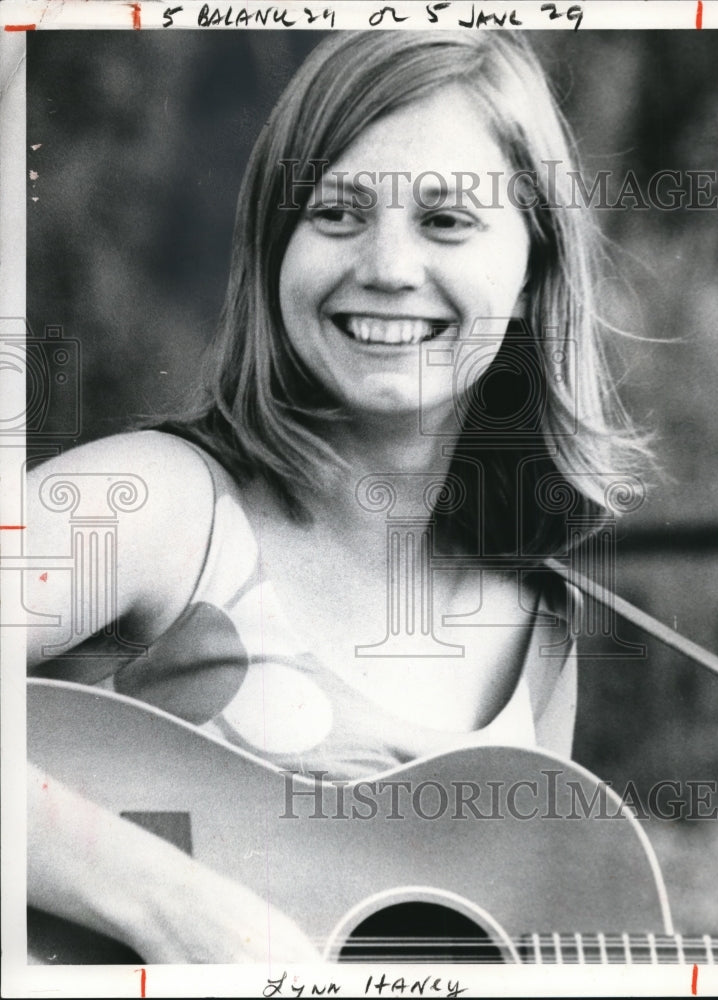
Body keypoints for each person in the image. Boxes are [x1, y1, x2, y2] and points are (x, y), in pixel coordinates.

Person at [25, 30, 650, 963]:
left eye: (446, 221)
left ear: (533, 272)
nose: (388, 267)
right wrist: (180, 914)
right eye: (337, 213)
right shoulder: (160, 510)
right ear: (277, 249)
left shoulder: (539, 631)